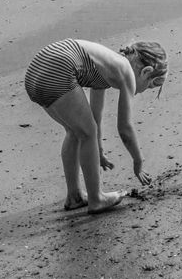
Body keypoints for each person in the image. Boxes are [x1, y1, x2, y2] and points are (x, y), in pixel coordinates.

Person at [24, 39, 167, 213]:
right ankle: (96, 198)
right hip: (58, 68)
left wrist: (98, 149)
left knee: (76, 131)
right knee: (86, 132)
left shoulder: (105, 67)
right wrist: (138, 161)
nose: (145, 91)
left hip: (35, 75)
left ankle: (74, 196)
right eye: (152, 85)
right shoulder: (127, 72)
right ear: (146, 71)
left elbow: (95, 116)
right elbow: (125, 128)